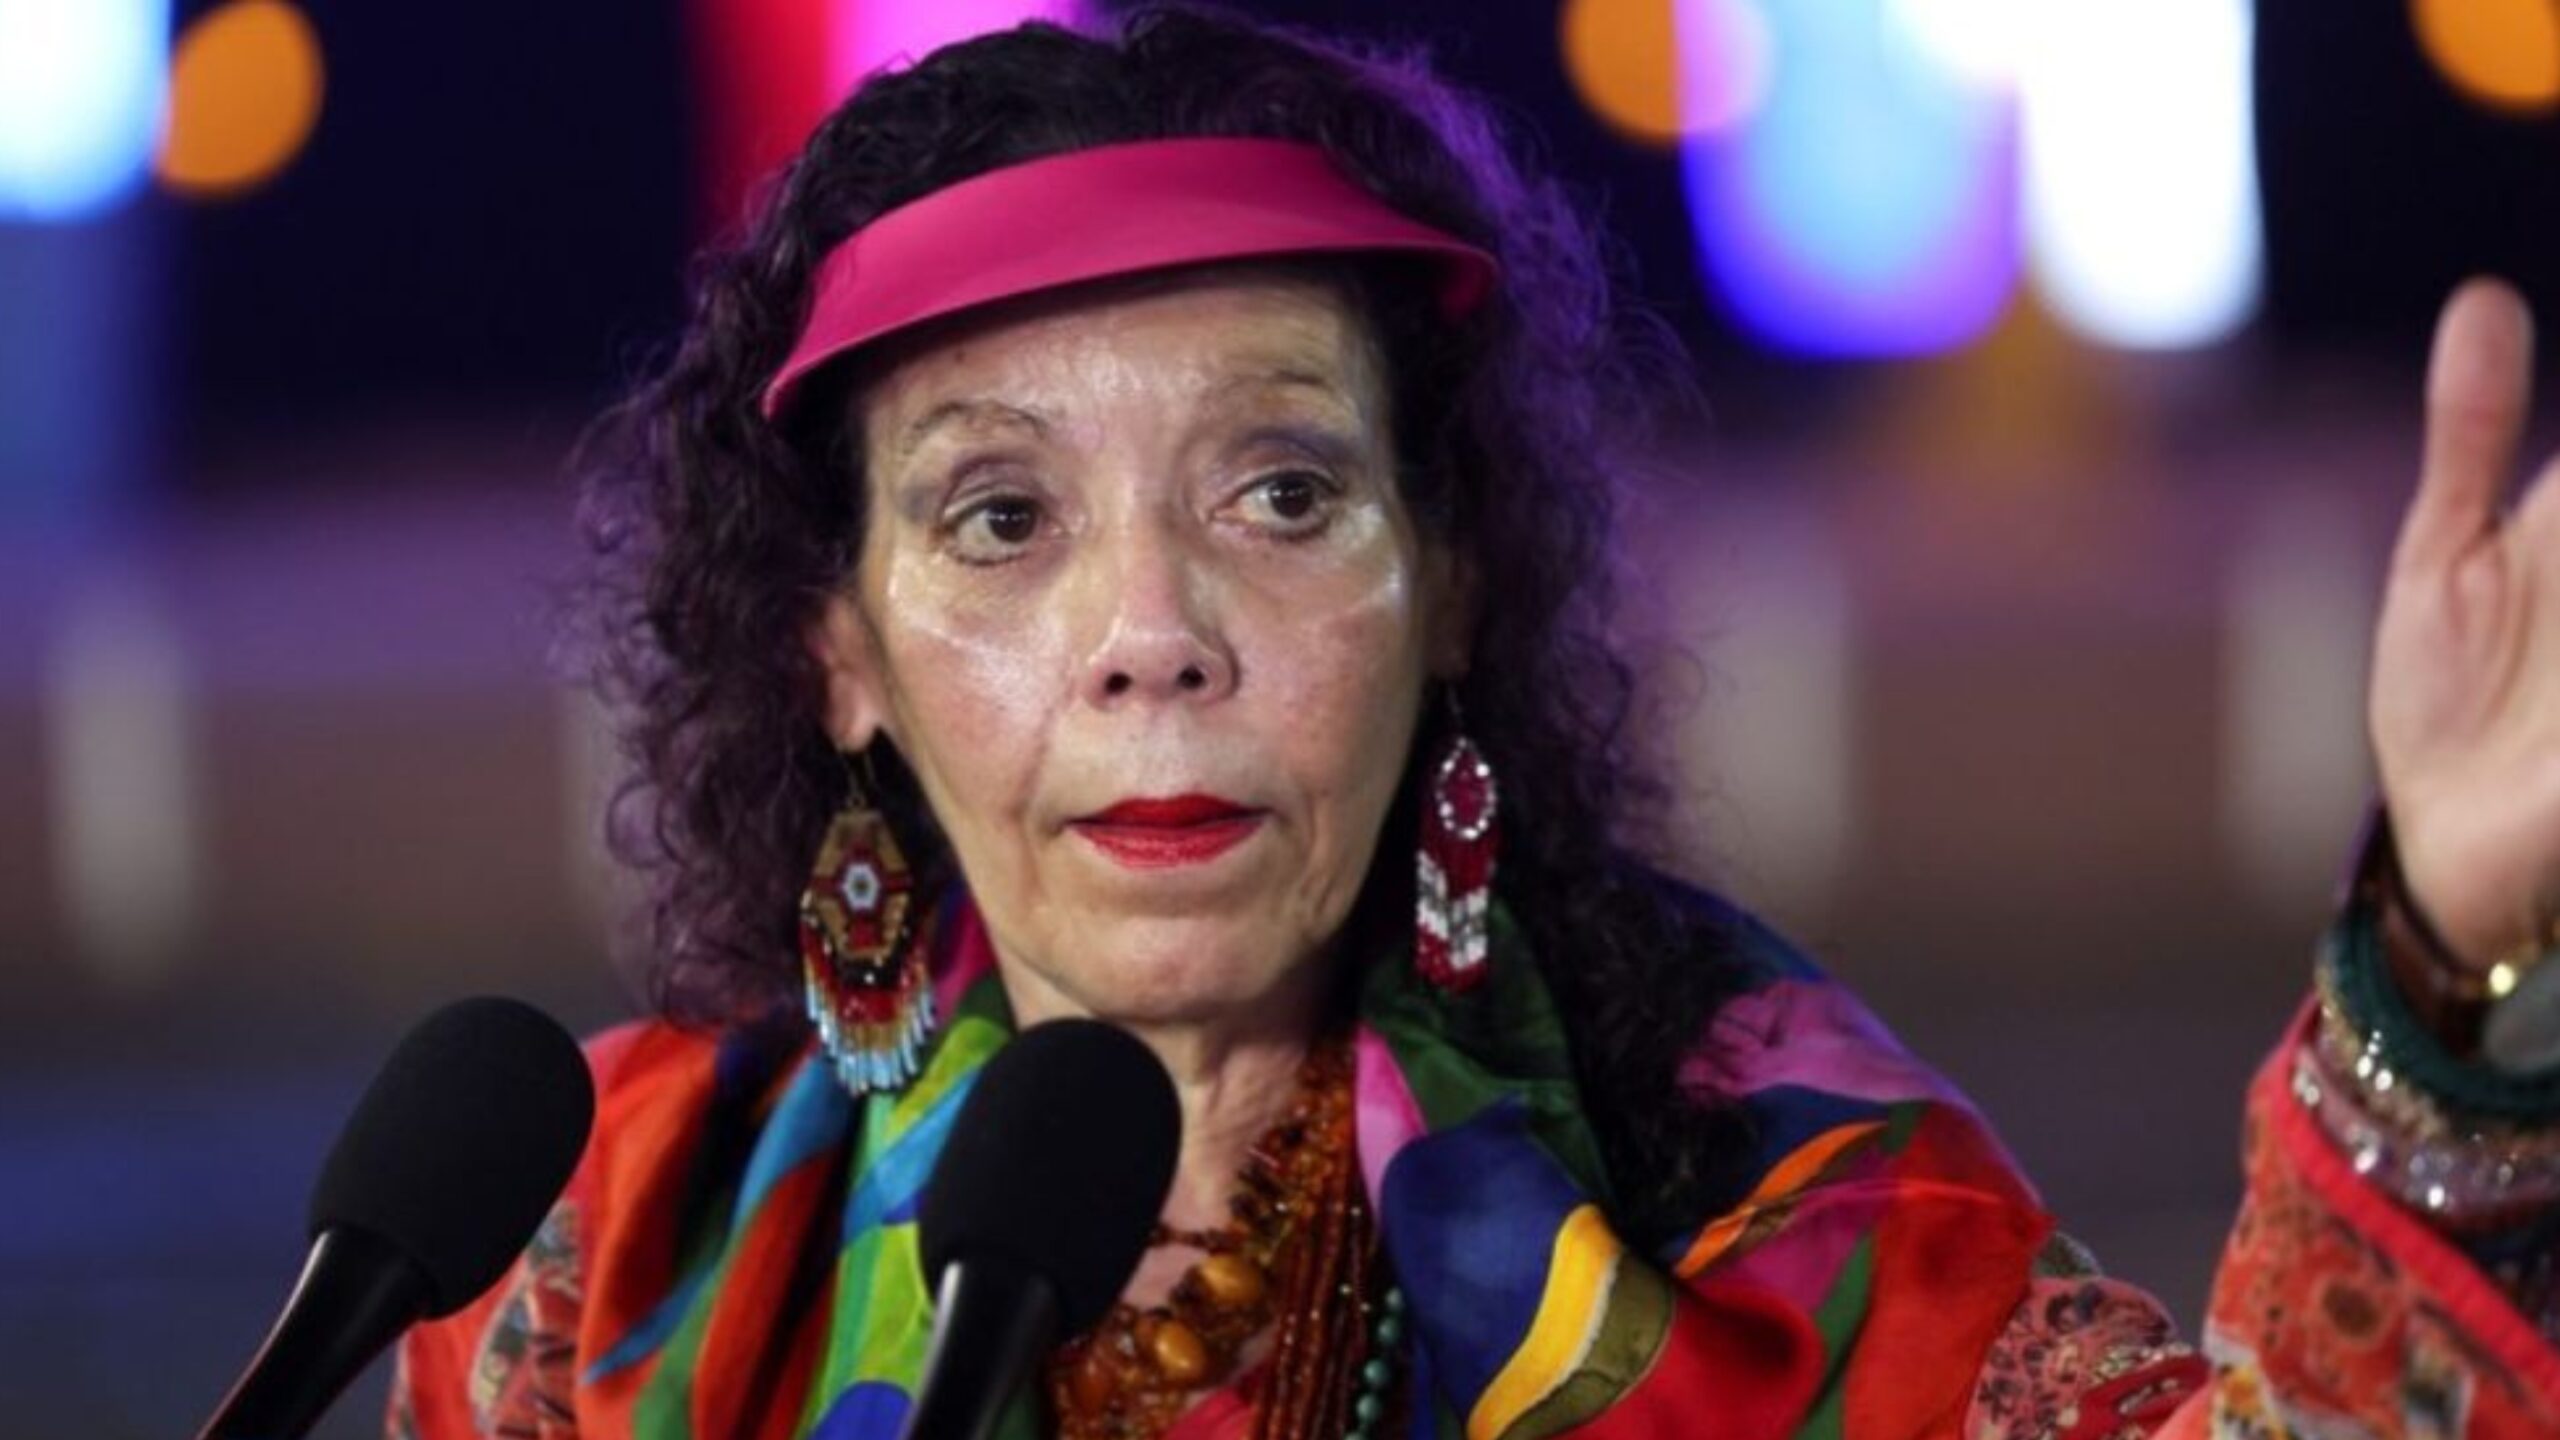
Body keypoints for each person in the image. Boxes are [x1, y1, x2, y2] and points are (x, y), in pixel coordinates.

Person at [391, 8, 2560, 1439]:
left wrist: (2445, 976)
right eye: (1002, 518)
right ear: (838, 650)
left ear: (1454, 586)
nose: (1151, 637)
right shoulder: (614, 1246)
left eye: (1278, 496)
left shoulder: (1749, 1192)